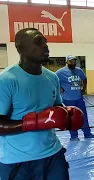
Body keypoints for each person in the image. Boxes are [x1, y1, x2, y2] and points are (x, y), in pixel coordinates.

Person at [0, 28, 84, 179]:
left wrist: (68, 115)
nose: (45, 45)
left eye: (45, 41)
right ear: (20, 47)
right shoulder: (6, 80)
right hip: (18, 161)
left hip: (53, 155)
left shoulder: (52, 78)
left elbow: (57, 108)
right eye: (39, 42)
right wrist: (35, 122)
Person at [56, 55, 94, 141]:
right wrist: (59, 88)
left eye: (74, 61)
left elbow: (84, 79)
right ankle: (74, 136)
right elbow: (53, 81)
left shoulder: (79, 70)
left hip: (79, 99)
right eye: (71, 61)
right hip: (68, 100)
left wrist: (84, 89)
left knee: (83, 116)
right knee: (71, 118)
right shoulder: (60, 72)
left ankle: (87, 134)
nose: (73, 63)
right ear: (67, 62)